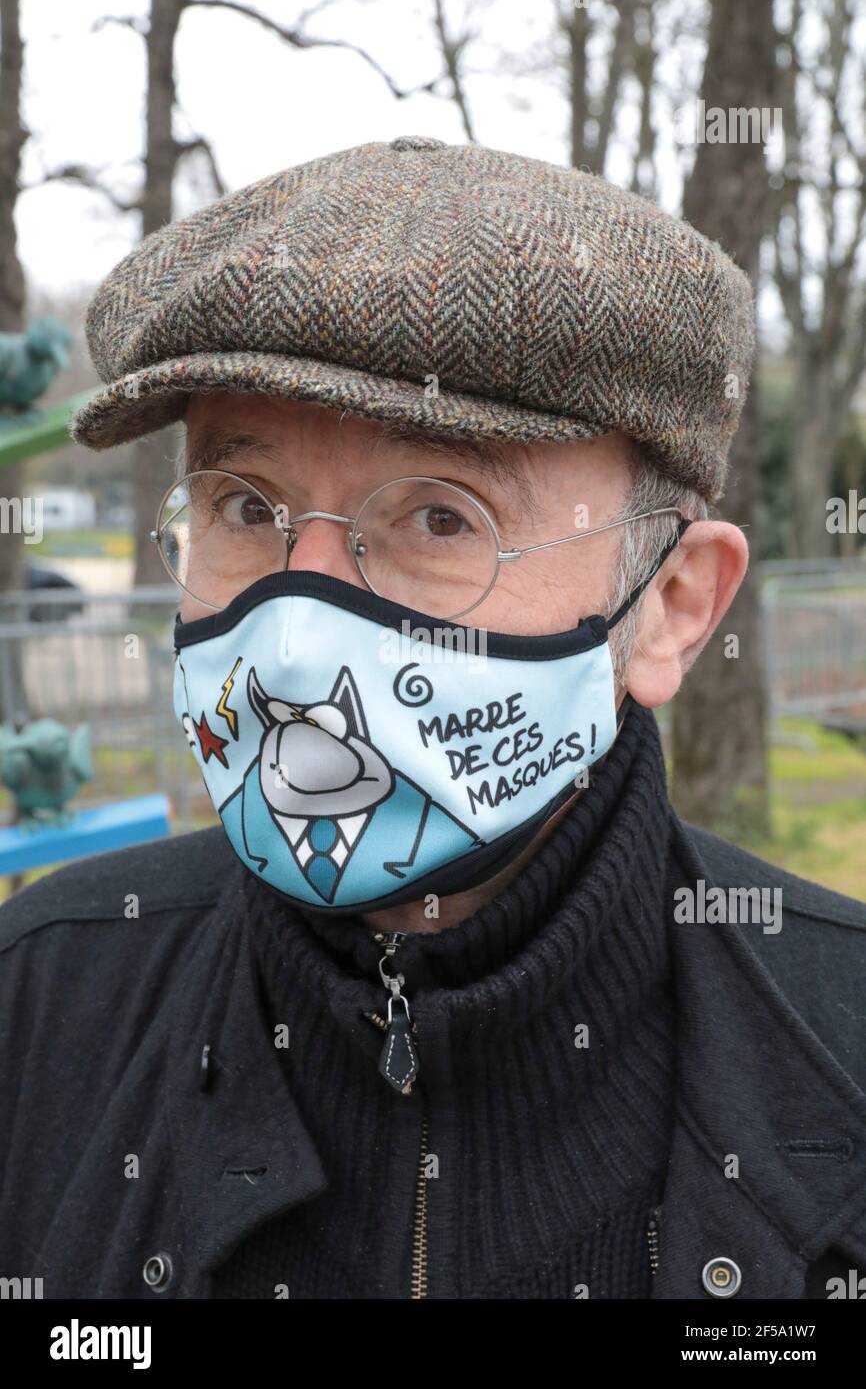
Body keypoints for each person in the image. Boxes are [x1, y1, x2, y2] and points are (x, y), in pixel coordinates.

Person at [2, 136, 865, 1302]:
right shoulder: (41, 1005)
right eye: (244, 507)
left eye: (440, 519)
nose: (294, 641)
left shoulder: (839, 1044)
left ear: (666, 607)